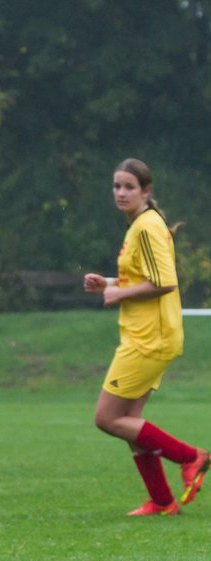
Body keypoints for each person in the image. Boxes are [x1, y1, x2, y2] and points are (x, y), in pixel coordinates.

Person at [84, 157, 208, 516]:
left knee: (107, 418)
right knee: (131, 423)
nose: (121, 193)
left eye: (129, 187)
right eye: (117, 186)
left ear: (146, 191)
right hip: (148, 335)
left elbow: (164, 282)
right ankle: (163, 501)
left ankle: (191, 456)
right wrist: (107, 283)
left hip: (149, 339)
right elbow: (143, 276)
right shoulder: (140, 225)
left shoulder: (147, 227)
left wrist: (119, 294)